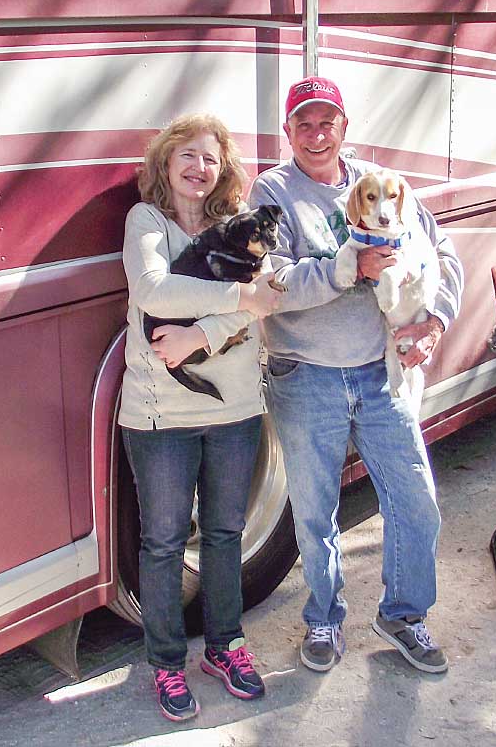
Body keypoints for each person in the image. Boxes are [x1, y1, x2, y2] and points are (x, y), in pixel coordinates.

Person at [248, 77, 464, 674]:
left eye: (328, 122)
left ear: (345, 128)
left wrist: (434, 324)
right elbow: (270, 286)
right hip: (305, 375)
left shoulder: (385, 185)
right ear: (288, 132)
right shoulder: (271, 191)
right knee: (315, 513)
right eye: (304, 124)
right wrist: (348, 269)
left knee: (415, 499)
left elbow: (443, 255)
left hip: (380, 374)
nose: (317, 135)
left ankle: (403, 615)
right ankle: (323, 619)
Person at [119, 113, 281, 721]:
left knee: (223, 534)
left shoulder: (237, 224)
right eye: (186, 155)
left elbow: (264, 305)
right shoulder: (147, 222)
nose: (198, 167)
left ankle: (224, 646)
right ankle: (166, 664)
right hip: (160, 413)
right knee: (162, 543)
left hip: (234, 406)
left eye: (209, 158)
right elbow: (154, 293)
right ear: (166, 163)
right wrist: (238, 298)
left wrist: (198, 339)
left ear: (223, 169)